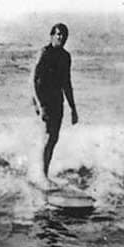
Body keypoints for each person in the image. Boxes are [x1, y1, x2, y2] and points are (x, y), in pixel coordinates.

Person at [32, 23, 79, 182]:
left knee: (54, 138)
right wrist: (39, 105)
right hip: (43, 99)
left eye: (64, 35)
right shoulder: (44, 53)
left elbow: (67, 83)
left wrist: (73, 108)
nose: (61, 37)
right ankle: (41, 175)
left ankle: (44, 172)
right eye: (58, 34)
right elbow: (33, 80)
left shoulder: (66, 57)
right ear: (52, 36)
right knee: (47, 135)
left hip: (57, 100)